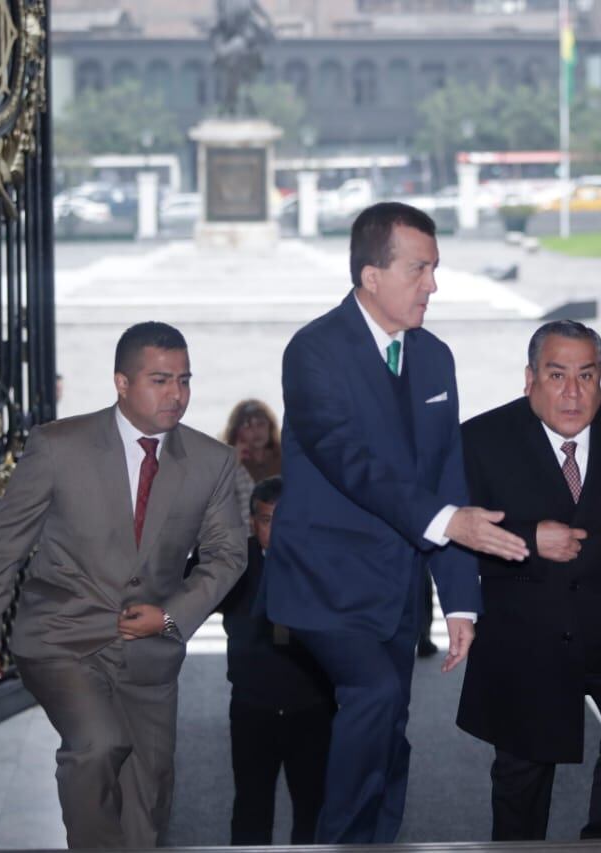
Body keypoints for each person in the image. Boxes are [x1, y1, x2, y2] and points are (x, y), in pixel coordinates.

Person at [261, 201, 527, 844]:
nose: (433, 284)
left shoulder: (435, 358)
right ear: (371, 275)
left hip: (395, 591)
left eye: (434, 268)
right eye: (420, 269)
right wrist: (448, 522)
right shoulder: (314, 351)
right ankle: (340, 844)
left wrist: (460, 602)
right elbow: (348, 461)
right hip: (323, 587)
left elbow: (445, 480)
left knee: (390, 737)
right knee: (376, 696)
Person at [0, 321, 248, 848]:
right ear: (121, 382)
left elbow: (229, 555)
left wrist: (170, 615)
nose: (177, 394)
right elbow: (5, 543)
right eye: (160, 380)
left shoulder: (213, 462)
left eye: (185, 380)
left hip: (150, 652)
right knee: (96, 743)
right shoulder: (56, 446)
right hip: (61, 638)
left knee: (149, 798)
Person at [456, 320, 601, 841]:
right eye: (557, 375)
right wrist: (527, 538)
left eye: (586, 376)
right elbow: (455, 537)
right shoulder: (480, 440)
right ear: (530, 378)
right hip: (526, 634)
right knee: (523, 771)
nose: (572, 392)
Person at [218, 475, 333, 845]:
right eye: (267, 521)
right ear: (253, 522)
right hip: (253, 706)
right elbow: (185, 594)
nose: (277, 531)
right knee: (251, 806)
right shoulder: (236, 561)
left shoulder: (324, 561)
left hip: (313, 706)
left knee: (313, 807)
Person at [220, 399, 282, 525]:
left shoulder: (285, 459)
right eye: (248, 425)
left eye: (261, 424)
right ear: (237, 431)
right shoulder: (230, 463)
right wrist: (233, 462)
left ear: (270, 426)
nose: (256, 431)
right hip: (246, 537)